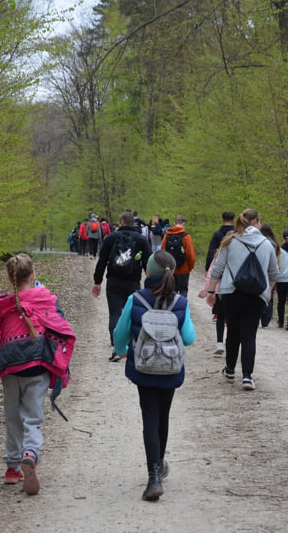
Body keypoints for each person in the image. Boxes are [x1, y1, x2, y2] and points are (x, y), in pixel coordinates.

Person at [0, 254, 75, 495]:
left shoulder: (4, 305)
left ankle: (11, 468)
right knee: (33, 418)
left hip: (9, 367)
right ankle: (30, 454)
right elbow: (60, 327)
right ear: (33, 275)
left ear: (10, 278)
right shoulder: (46, 299)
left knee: (12, 417)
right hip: (36, 367)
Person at [112, 250, 196, 501]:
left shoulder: (136, 299)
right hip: (170, 368)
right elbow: (189, 338)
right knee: (163, 416)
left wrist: (119, 351)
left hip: (144, 367)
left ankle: (154, 477)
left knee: (149, 416)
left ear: (148, 272)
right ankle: (160, 463)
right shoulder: (180, 302)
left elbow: (120, 335)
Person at [205, 209, 279, 391]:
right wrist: (268, 291)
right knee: (249, 335)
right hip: (256, 295)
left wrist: (211, 290)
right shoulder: (267, 244)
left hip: (231, 292)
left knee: (233, 333)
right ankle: (247, 376)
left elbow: (218, 268)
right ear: (257, 223)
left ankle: (230, 370)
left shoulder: (230, 241)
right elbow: (274, 272)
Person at [93, 212, 152, 362]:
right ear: (134, 223)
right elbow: (149, 264)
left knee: (115, 314)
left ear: (121, 222)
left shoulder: (111, 238)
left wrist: (97, 282)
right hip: (133, 282)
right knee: (133, 314)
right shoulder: (141, 239)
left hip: (113, 281)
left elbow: (102, 261)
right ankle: (133, 346)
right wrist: (151, 284)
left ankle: (116, 349)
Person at [205, 211, 236, 354]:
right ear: (233, 219)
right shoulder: (237, 235)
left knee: (220, 314)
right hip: (234, 281)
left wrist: (208, 270)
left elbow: (211, 252)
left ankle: (219, 343)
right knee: (232, 316)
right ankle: (232, 343)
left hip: (219, 279)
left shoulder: (217, 234)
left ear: (222, 219)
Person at [161, 215, 197, 297]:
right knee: (183, 290)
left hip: (170, 269)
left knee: (171, 290)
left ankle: (172, 308)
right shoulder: (186, 236)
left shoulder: (167, 235)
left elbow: (162, 251)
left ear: (174, 223)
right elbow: (191, 255)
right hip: (183, 269)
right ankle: (182, 308)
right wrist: (190, 267)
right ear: (184, 223)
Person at [258, 223, 281, 328]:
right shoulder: (275, 244)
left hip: (260, 271)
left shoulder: (258, 242)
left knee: (258, 293)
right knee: (270, 294)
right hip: (271, 271)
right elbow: (278, 260)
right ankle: (266, 320)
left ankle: (258, 314)